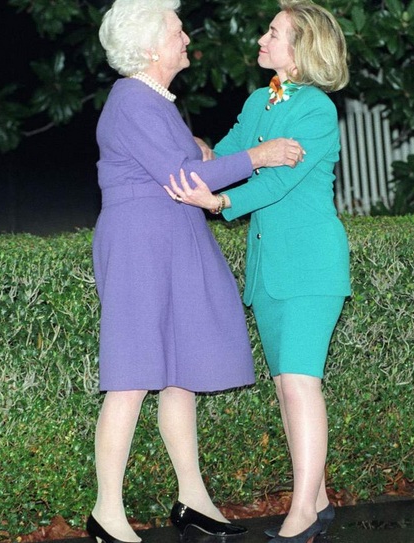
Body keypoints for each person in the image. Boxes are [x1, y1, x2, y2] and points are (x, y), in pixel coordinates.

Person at [87, 1, 306, 542]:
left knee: (179, 374)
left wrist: (202, 148)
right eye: (177, 30)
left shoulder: (152, 101)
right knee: (131, 378)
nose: (186, 38)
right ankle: (106, 514)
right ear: (150, 47)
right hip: (141, 246)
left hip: (171, 239)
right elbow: (184, 178)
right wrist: (259, 156)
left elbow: (188, 159)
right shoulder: (131, 100)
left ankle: (193, 501)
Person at [165, 1, 351, 542]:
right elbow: (225, 157)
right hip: (270, 271)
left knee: (300, 383)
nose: (262, 40)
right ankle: (317, 498)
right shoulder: (259, 99)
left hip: (310, 267)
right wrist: (182, 141)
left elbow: (277, 182)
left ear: (301, 48)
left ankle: (302, 515)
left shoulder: (316, 111)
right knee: (288, 386)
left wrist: (221, 204)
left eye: (273, 33)